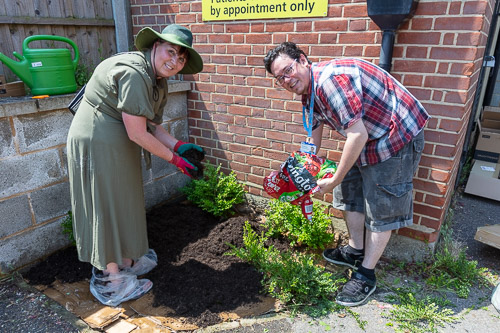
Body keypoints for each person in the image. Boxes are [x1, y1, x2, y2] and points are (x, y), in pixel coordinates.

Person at [264, 42, 429, 307]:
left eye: (288, 70)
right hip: (368, 135)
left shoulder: (330, 83)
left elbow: (357, 134)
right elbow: (314, 135)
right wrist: (303, 166)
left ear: (303, 60)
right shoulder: (308, 92)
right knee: (349, 191)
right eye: (279, 78)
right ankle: (355, 250)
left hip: (394, 133)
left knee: (381, 205)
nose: (286, 80)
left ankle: (366, 274)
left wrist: (333, 178)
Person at [66, 24, 204, 307]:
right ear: (155, 46)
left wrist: (179, 146)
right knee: (106, 203)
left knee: (125, 198)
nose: (174, 61)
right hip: (97, 140)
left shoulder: (157, 80)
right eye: (171, 51)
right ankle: (113, 279)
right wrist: (175, 161)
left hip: (118, 139)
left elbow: (152, 128)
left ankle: (126, 259)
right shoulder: (134, 73)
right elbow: (138, 133)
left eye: (181, 58)